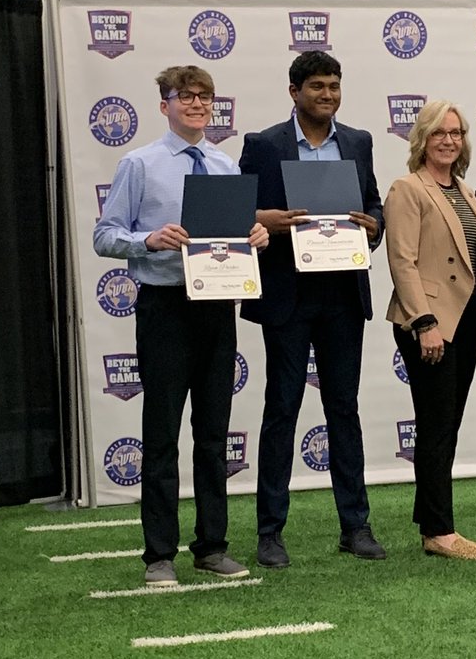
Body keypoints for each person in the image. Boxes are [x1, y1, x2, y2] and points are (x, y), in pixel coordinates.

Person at [93, 65, 268, 587]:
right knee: (162, 432)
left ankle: (212, 546)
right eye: (185, 96)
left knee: (214, 432)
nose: (196, 104)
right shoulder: (139, 164)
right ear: (164, 104)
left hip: (216, 304)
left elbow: (233, 234)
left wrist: (254, 235)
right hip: (165, 306)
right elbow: (105, 235)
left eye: (205, 96)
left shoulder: (223, 163)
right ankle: (159, 555)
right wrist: (147, 240)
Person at [239, 51, 386, 568]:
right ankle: (269, 532)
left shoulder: (359, 142)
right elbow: (238, 211)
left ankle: (356, 526)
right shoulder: (263, 145)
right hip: (288, 295)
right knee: (281, 409)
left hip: (343, 295)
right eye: (318, 86)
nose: (328, 94)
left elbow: (373, 205)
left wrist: (374, 224)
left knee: (344, 410)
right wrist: (267, 220)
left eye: (335, 86)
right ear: (294, 91)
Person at [384, 100, 476, 561]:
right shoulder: (408, 188)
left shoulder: (466, 191)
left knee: (444, 424)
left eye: (456, 132)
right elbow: (401, 261)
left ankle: (432, 521)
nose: (449, 140)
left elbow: (475, 258)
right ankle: (439, 531)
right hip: (429, 322)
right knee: (435, 423)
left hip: (466, 318)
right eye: (439, 133)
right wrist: (423, 322)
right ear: (422, 140)